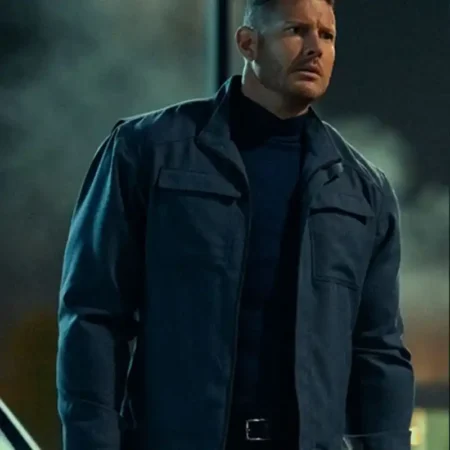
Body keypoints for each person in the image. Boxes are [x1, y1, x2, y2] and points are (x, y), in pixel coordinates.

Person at [56, 0, 415, 449]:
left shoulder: (363, 190)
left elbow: (378, 350)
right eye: (296, 30)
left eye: (327, 35)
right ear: (248, 43)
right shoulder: (147, 151)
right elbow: (93, 316)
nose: (314, 48)